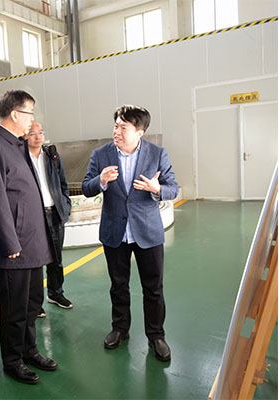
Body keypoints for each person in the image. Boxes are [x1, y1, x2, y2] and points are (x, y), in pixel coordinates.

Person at [82, 104, 178, 362]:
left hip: (147, 232)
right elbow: (86, 187)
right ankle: (120, 328)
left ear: (140, 131)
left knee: (153, 288)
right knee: (118, 285)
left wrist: (157, 189)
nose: (117, 131)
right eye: (115, 125)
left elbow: (173, 188)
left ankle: (156, 336)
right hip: (115, 232)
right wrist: (101, 180)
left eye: (123, 127)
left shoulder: (157, 154)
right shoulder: (101, 155)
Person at [0, 90, 57, 385]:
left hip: (31, 242)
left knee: (32, 303)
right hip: (14, 246)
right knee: (14, 309)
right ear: (14, 114)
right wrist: (10, 242)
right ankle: (12, 361)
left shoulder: (17, 143)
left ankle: (29, 350)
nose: (32, 120)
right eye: (29, 114)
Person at [24, 122, 73, 314]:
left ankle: (55, 293)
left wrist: (65, 205)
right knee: (34, 261)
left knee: (56, 258)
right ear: (25, 136)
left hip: (54, 213)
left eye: (40, 133)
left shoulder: (51, 155)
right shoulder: (21, 158)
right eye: (32, 133)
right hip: (33, 215)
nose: (37, 137)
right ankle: (34, 303)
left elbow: (63, 183)